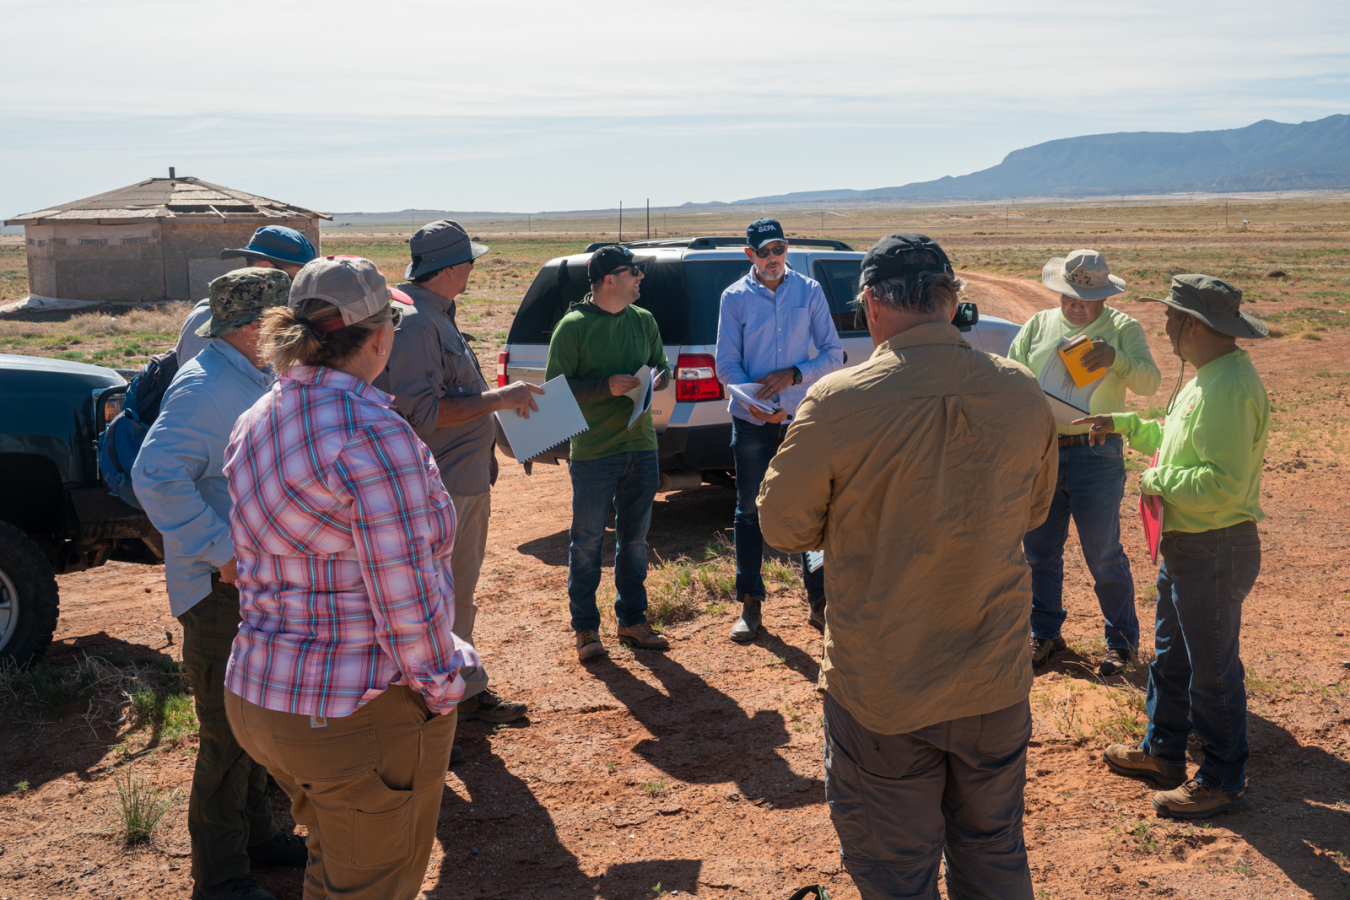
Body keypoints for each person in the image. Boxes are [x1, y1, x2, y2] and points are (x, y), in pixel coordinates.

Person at [759, 233, 1057, 899]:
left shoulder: (838, 401)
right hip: (994, 682)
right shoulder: (1019, 390)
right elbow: (1034, 509)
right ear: (952, 302)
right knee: (995, 848)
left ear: (871, 305)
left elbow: (782, 525)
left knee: (897, 872)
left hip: (885, 688)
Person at [223, 256, 479, 900]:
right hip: (351, 707)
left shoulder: (258, 418)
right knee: (372, 883)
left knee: (337, 861)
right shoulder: (371, 433)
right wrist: (442, 686)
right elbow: (407, 594)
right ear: (379, 335)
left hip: (263, 695)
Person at [133, 268, 305, 900]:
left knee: (255, 723)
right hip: (219, 594)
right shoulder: (204, 387)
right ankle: (222, 877)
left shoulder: (245, 376)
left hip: (248, 589)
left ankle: (258, 839)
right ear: (257, 325)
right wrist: (220, 552)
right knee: (228, 734)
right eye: (285, 321)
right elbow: (154, 474)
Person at [1084, 275, 1270, 819]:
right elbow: (1174, 434)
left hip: (1215, 546)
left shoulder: (1230, 388)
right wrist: (1121, 425)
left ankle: (1221, 779)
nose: (1163, 326)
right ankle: (1162, 752)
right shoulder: (1209, 377)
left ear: (1191, 323)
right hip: (1191, 545)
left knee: (1212, 669)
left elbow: (1222, 483)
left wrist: (1155, 482)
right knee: (1173, 656)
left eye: (1169, 316)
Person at [375, 219, 541, 728]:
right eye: (470, 260)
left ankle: (461, 693)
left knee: (456, 596)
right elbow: (422, 411)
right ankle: (443, 707)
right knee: (445, 599)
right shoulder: (419, 323)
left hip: (461, 480)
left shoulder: (432, 313)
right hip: (444, 485)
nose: (474, 268)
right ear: (452, 268)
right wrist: (504, 398)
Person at [1007, 249, 1161, 675]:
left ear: (1105, 298)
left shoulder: (1123, 328)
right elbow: (1012, 373)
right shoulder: (1038, 324)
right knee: (1038, 550)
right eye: (1067, 296)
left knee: (1102, 552)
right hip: (1042, 452)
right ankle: (1046, 635)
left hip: (1097, 452)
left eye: (1084, 299)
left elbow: (1150, 382)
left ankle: (1122, 643)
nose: (1074, 305)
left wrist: (1117, 359)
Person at [715, 217, 843, 642]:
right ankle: (751, 605)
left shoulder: (809, 291)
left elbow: (833, 352)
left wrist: (794, 374)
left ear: (787, 249)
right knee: (749, 511)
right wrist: (759, 404)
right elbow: (726, 365)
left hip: (800, 418)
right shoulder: (733, 298)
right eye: (764, 251)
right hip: (752, 421)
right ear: (748, 254)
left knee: (811, 508)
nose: (773, 258)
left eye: (779, 249)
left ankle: (819, 602)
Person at [545, 245, 672, 662]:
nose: (640, 278)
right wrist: (605, 386)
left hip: (642, 447)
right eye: (633, 271)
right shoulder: (574, 327)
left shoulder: (645, 320)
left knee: (635, 542)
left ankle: (632, 621)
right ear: (609, 280)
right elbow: (554, 396)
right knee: (586, 543)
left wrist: (658, 376)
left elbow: (663, 368)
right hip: (595, 453)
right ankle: (585, 630)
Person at [176, 226, 318, 363]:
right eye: (298, 279)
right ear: (265, 268)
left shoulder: (289, 319)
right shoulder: (208, 318)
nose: (302, 289)